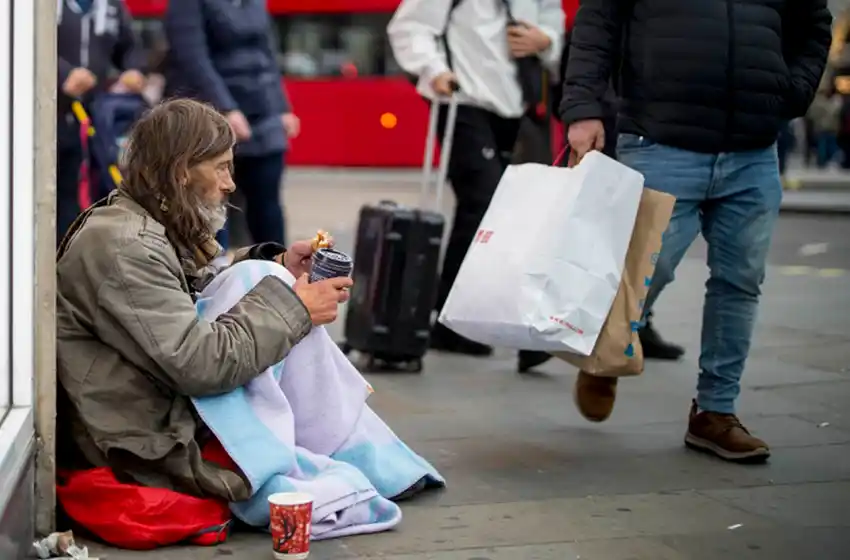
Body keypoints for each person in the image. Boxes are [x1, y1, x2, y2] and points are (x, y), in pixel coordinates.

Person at [561, 0, 831, 462]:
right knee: (650, 267)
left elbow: (814, 24)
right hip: (660, 138)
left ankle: (715, 412)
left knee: (740, 282)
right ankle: (608, 353)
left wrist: (793, 91)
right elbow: (599, 19)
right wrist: (583, 107)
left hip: (753, 148)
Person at [55, 99, 352, 501]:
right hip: (144, 442)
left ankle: (346, 442)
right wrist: (296, 307)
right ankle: (348, 443)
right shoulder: (126, 245)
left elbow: (190, 288)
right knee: (268, 288)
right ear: (181, 172)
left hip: (149, 415)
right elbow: (199, 364)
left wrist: (279, 264)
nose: (231, 184)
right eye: (222, 167)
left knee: (264, 275)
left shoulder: (140, 219)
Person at [389, 0, 564, 357]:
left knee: (519, 212)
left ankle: (492, 316)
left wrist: (544, 41)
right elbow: (409, 26)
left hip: (521, 106)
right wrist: (433, 69)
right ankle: (450, 319)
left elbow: (553, 21)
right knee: (481, 204)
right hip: (464, 99)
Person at [164, 0, 300, 249]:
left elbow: (268, 53)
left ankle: (277, 268)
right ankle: (211, 270)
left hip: (262, 111)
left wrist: (282, 108)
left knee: (268, 202)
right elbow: (192, 55)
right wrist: (225, 108)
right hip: (212, 111)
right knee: (210, 201)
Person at [57, 0, 146, 245]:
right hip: (51, 116)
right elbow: (26, 43)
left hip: (96, 119)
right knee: (61, 193)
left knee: (101, 190)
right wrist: (62, 74)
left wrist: (133, 70)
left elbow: (129, 48)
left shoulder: (110, 6)